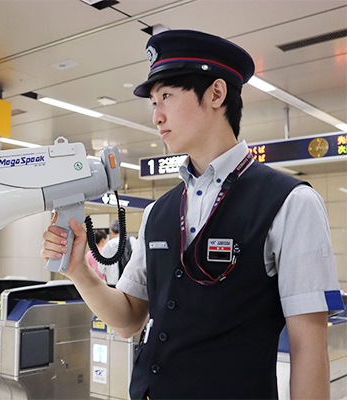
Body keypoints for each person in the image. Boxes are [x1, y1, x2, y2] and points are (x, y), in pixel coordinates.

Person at [41, 29, 344, 399]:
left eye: (166, 96)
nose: (157, 116)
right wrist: (79, 272)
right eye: (154, 102)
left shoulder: (290, 202)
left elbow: (308, 345)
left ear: (216, 94)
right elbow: (129, 319)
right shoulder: (159, 211)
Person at [98, 220, 137, 285]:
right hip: (130, 282)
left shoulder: (108, 246)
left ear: (111, 231)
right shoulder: (131, 241)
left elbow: (101, 268)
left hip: (112, 283)